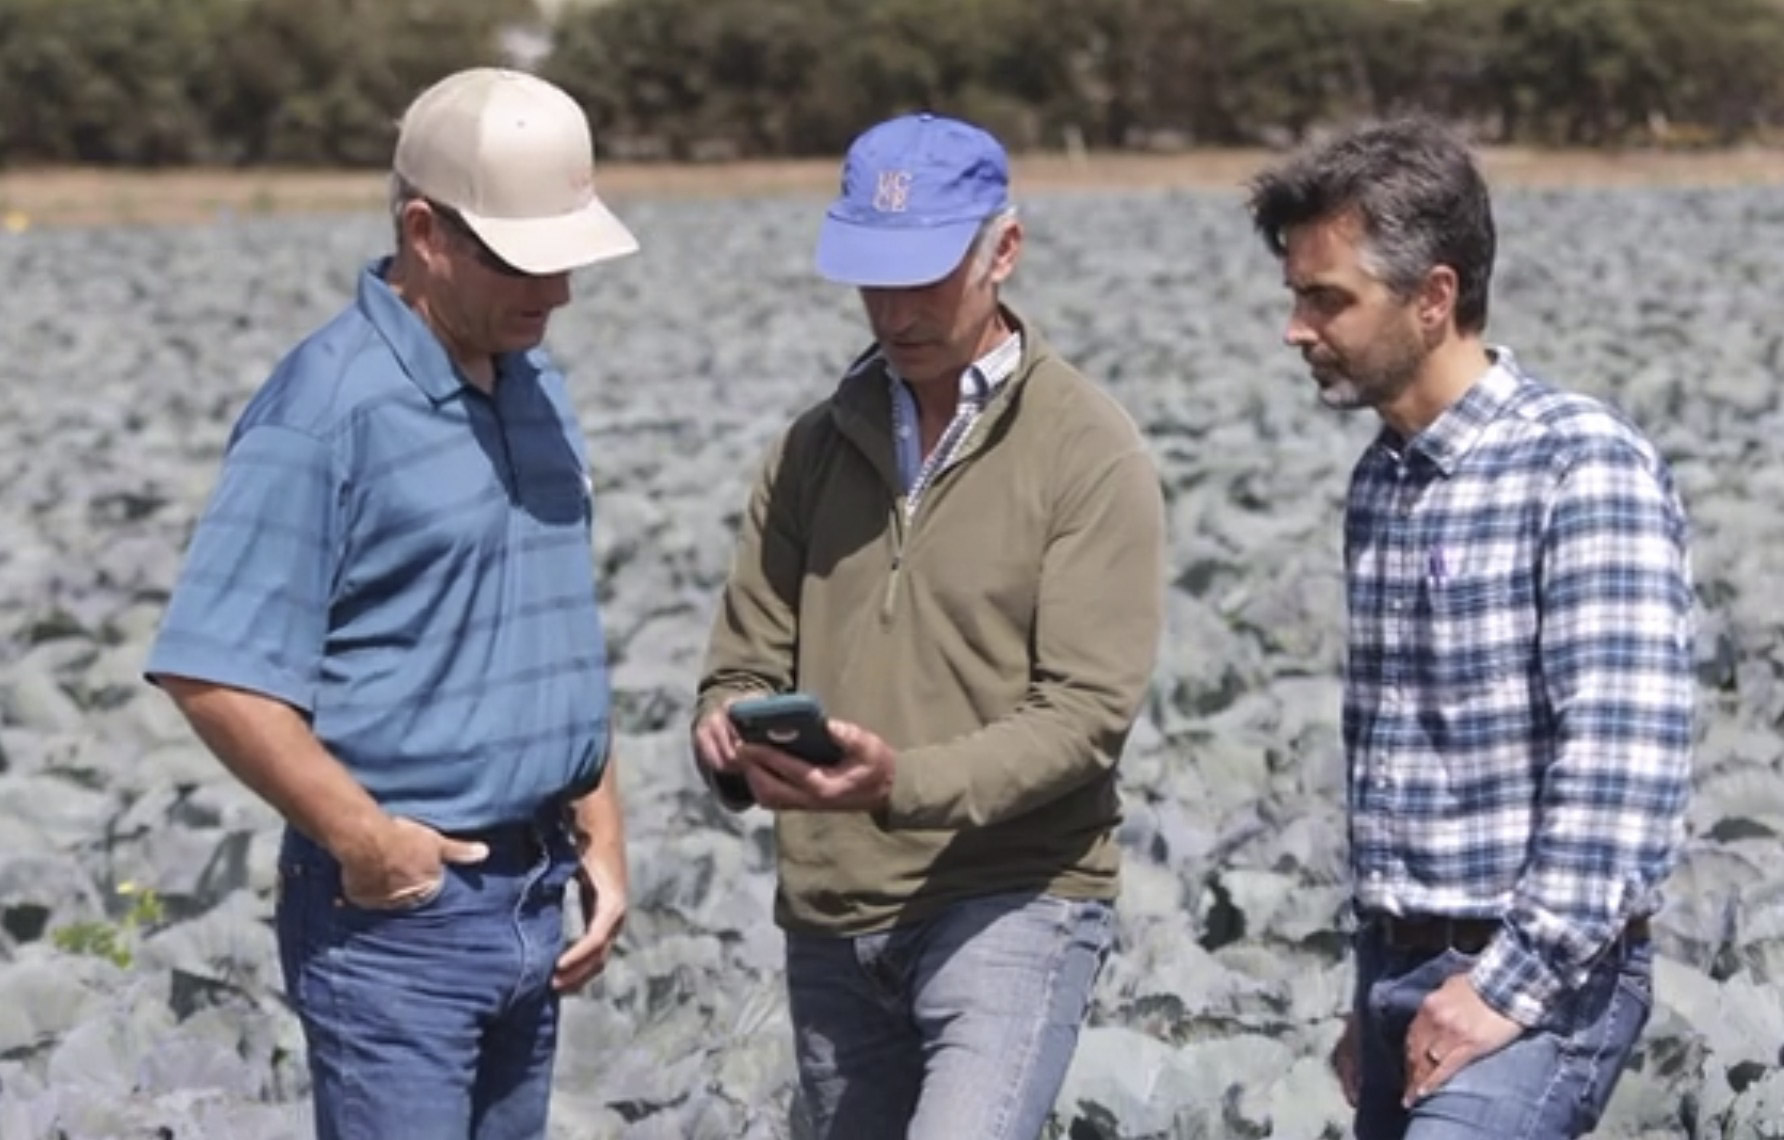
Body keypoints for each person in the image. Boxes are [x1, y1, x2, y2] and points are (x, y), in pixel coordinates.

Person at [143, 67, 636, 1140]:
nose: (554, 296)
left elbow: (549, 621)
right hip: (397, 927)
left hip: (534, 897)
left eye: (566, 263)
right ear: (425, 231)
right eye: (524, 262)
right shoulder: (325, 408)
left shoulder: (533, 384)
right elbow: (213, 671)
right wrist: (368, 844)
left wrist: (600, 827)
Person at [689, 111, 1166, 1139]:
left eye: (925, 275)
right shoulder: (811, 451)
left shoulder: (1086, 450)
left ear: (1003, 250)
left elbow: (1083, 715)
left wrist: (898, 783)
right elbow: (740, 658)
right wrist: (726, 732)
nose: (894, 309)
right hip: (829, 911)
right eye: (873, 275)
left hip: (1007, 897)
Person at [1246, 116, 1694, 1139]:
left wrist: (1500, 987)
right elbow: (1399, 762)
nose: (1295, 329)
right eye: (1294, 297)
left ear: (1432, 297)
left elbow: (1619, 765)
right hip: (1400, 966)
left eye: (1326, 299)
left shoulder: (1578, 463)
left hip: (1540, 977)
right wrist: (1374, 988)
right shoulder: (1381, 479)